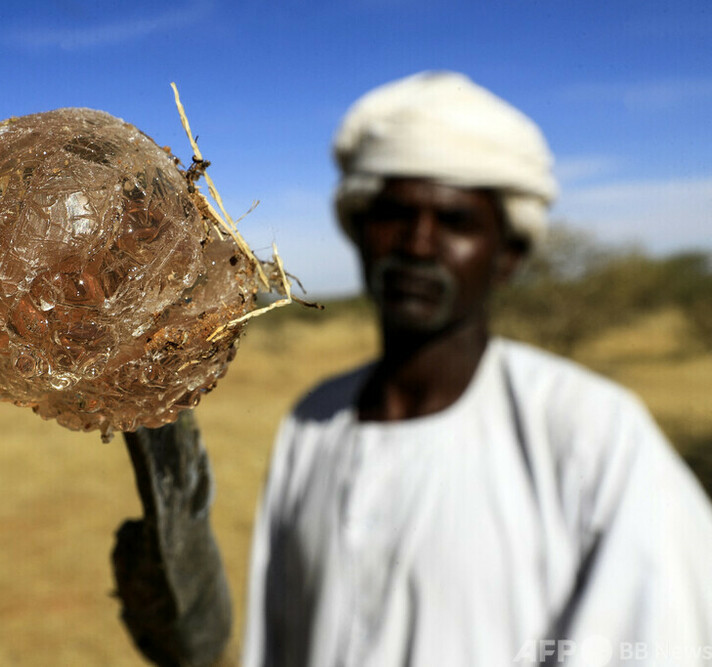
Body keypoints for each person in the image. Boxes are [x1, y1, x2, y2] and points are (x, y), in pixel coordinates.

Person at [242, 71, 712, 666]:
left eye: (456, 222)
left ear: (508, 255)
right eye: (395, 215)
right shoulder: (312, 423)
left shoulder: (593, 434)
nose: (418, 244)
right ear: (359, 232)